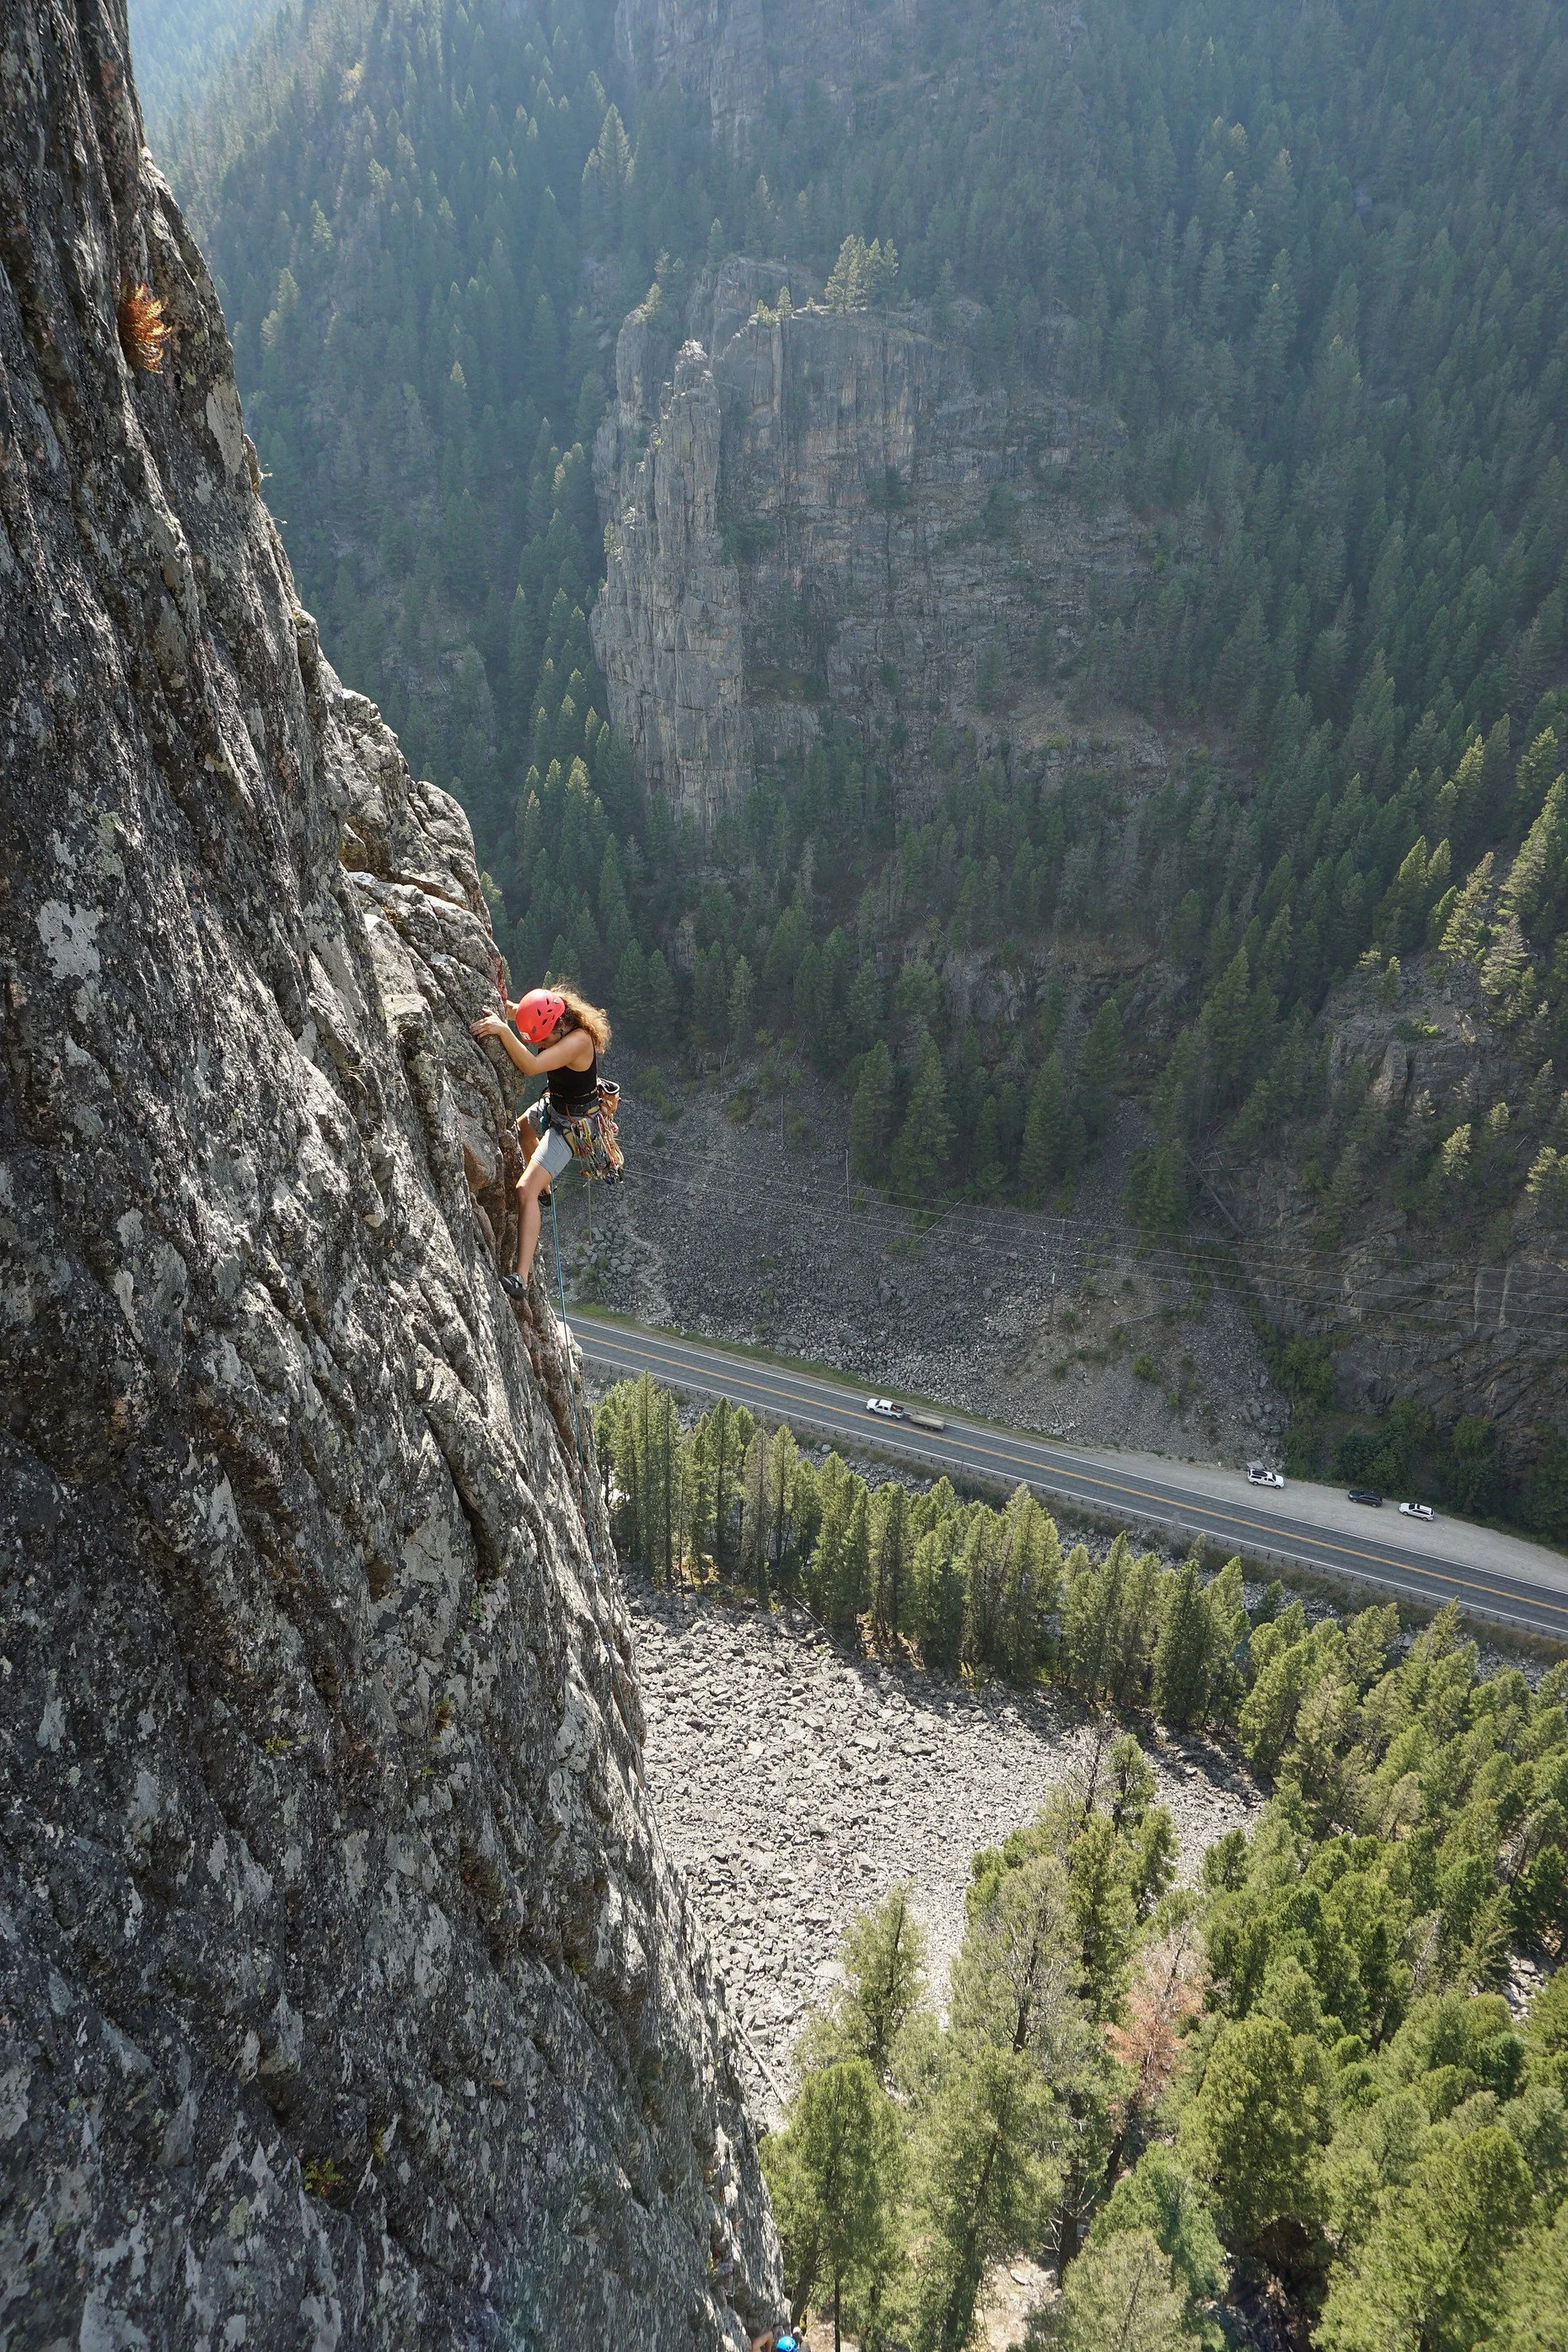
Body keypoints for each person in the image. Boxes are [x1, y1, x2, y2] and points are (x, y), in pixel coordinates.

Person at [470, 981, 612, 1298]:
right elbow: (520, 1013)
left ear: (558, 1026)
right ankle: (546, 1189)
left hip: (572, 1127)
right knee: (522, 1132)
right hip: (557, 1106)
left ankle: (520, 1278)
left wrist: (503, 1032)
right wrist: (504, 1011)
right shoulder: (553, 1017)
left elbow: (532, 1066)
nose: (541, 1044)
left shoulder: (578, 1040)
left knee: (524, 1190)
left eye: (544, 1040)